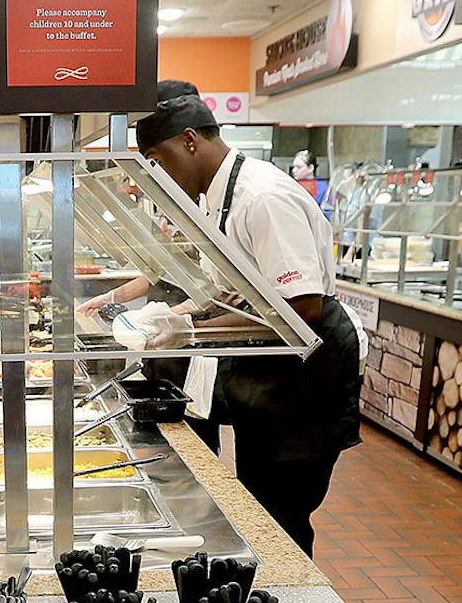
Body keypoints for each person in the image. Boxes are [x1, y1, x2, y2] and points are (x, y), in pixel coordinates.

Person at [83, 80, 361, 555]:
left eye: (159, 160)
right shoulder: (213, 195)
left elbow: (302, 310)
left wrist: (190, 329)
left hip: (307, 370)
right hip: (271, 364)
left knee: (282, 516)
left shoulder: (263, 197)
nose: (158, 174)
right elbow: (230, 290)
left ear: (190, 141)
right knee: (255, 504)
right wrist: (175, 313)